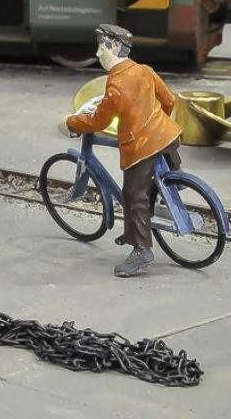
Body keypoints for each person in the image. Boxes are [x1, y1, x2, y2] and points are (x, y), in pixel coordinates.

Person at [64, 24, 182, 278]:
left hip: (141, 147)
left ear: (115, 47)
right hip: (167, 136)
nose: (98, 54)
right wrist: (155, 121)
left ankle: (142, 250)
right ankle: (174, 178)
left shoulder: (116, 85)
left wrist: (72, 122)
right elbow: (169, 100)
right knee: (151, 177)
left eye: (102, 48)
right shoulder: (144, 70)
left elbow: (99, 122)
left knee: (132, 195)